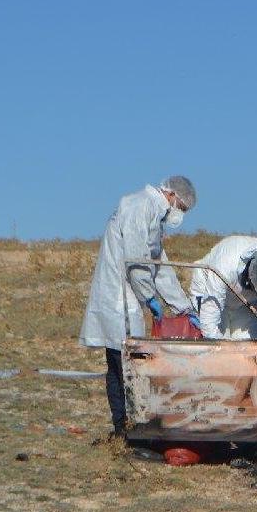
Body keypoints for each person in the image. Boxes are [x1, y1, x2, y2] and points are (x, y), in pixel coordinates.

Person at [79, 176, 198, 435]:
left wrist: (183, 307)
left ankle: (127, 427)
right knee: (123, 362)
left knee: (122, 361)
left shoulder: (153, 213)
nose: (181, 214)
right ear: (172, 196)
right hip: (117, 294)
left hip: (127, 293)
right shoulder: (139, 206)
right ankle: (126, 428)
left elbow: (159, 266)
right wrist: (149, 297)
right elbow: (136, 261)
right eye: (183, 208)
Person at [189, 235, 257, 343]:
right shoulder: (226, 266)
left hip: (246, 303)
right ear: (249, 279)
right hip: (211, 294)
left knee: (251, 345)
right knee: (220, 340)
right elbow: (210, 318)